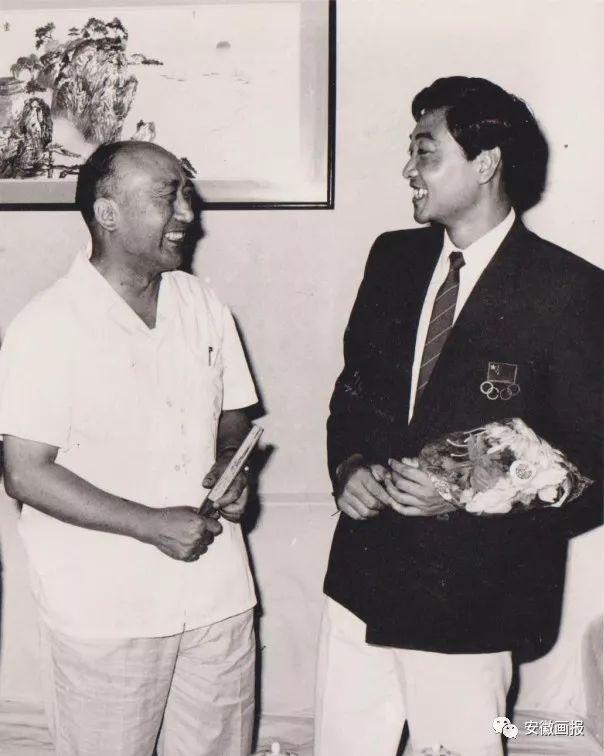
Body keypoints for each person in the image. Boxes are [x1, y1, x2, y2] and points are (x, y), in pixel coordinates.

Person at [314, 77, 602, 756]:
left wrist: (467, 493)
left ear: (486, 162)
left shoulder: (571, 291)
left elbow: (595, 465)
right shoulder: (391, 260)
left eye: (425, 151)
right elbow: (351, 397)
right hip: (359, 584)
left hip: (472, 602)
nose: (407, 170)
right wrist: (349, 468)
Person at [0, 141, 259, 756]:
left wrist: (231, 460)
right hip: (105, 613)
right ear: (107, 213)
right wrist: (149, 525)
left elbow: (234, 413)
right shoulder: (47, 325)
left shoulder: (202, 304)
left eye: (186, 194)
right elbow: (25, 473)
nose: (187, 213)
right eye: (168, 196)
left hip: (217, 598)